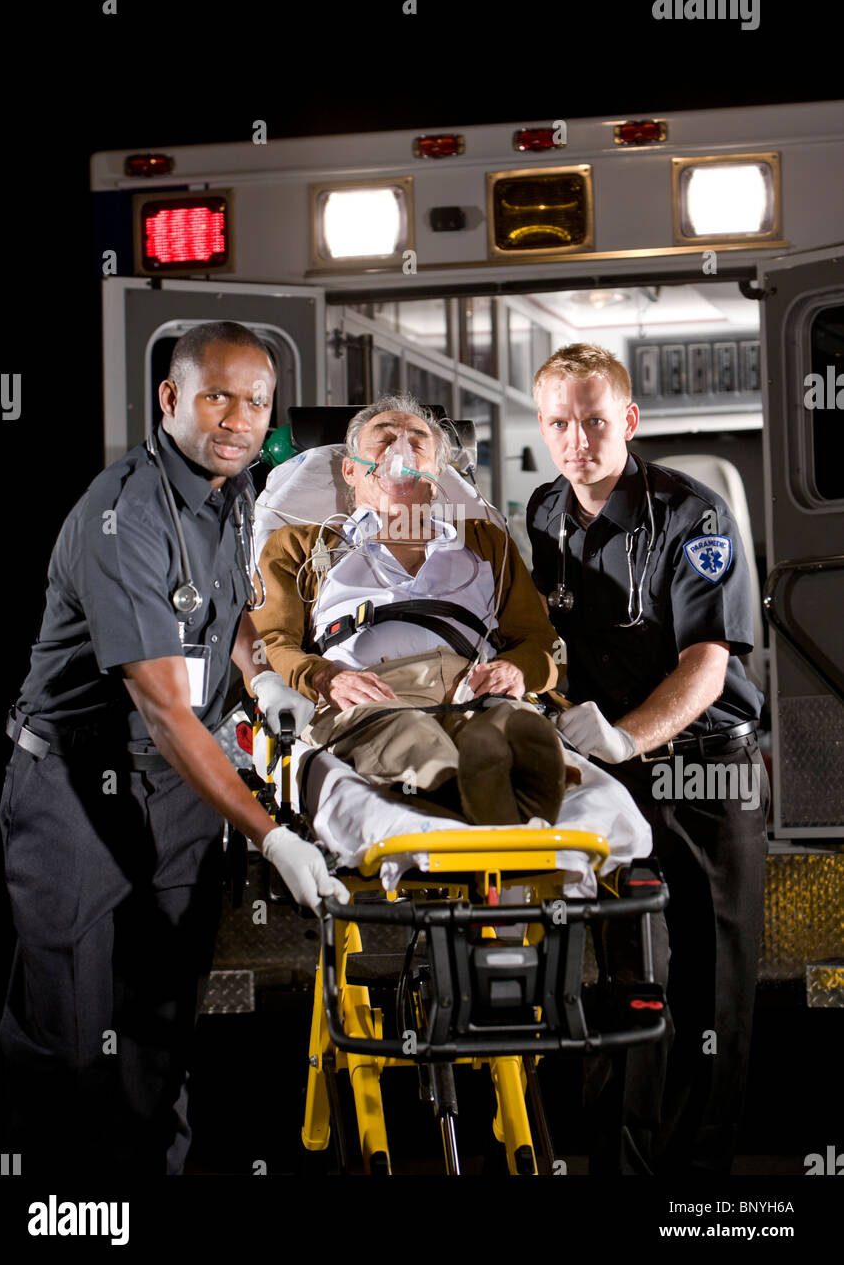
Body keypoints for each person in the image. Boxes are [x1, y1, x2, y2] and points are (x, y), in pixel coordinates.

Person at [0, 321, 348, 1178]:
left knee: (164, 1029)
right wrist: (271, 833)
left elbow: (220, 620)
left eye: (256, 400)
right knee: (72, 1041)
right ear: (171, 399)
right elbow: (163, 709)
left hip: (176, 792)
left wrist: (263, 680)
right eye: (217, 395)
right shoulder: (126, 518)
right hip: (76, 790)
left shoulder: (233, 492)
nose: (238, 416)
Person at [527, 342, 769, 1176]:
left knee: (712, 988)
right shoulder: (542, 514)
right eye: (559, 423)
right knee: (631, 978)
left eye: (594, 421)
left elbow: (706, 664)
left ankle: (696, 1188)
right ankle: (625, 1168)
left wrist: (628, 736)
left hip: (705, 776)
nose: (577, 441)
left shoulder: (692, 517)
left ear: (628, 420)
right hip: (611, 781)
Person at [251, 395, 571, 826]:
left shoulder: (484, 542)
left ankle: (495, 777)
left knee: (508, 721)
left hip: (473, 692)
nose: (399, 451)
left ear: (437, 474)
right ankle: (483, 798)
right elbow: (269, 642)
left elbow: (541, 642)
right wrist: (324, 677)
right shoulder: (303, 546)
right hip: (371, 697)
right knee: (408, 736)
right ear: (350, 469)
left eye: (417, 442)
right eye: (383, 439)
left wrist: (517, 670)